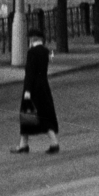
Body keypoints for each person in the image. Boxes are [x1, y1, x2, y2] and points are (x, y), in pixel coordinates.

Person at [12, 23, 59, 153]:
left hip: (33, 88)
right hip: (44, 86)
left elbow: (30, 73)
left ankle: (25, 144)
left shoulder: (32, 52)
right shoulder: (45, 51)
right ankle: (25, 143)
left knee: (28, 114)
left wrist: (27, 91)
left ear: (32, 39)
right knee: (45, 114)